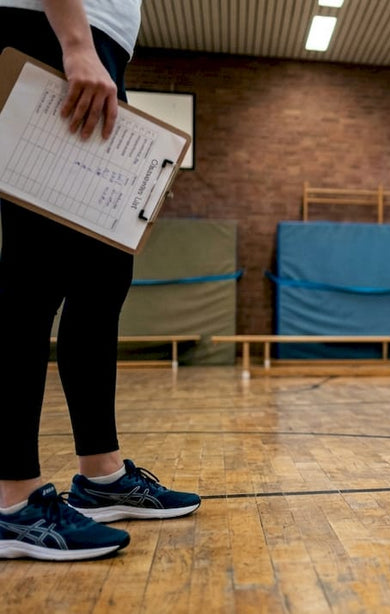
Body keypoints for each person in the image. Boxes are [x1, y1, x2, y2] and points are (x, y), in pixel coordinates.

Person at [0, 0, 201, 562]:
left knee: (102, 277)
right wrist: (75, 44)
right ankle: (12, 501)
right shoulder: (69, 41)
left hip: (95, 51)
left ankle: (101, 476)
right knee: (31, 277)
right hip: (49, 35)